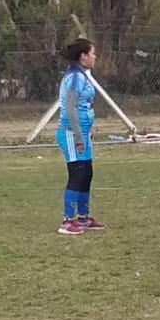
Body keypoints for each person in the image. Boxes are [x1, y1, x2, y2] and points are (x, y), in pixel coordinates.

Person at [55, 38, 106, 235]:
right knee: (77, 174)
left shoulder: (81, 76)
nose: (94, 56)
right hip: (70, 132)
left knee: (86, 173)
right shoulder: (75, 78)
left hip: (82, 133)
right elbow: (70, 107)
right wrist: (77, 135)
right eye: (92, 53)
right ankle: (67, 220)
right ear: (83, 56)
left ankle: (83, 217)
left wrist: (86, 131)